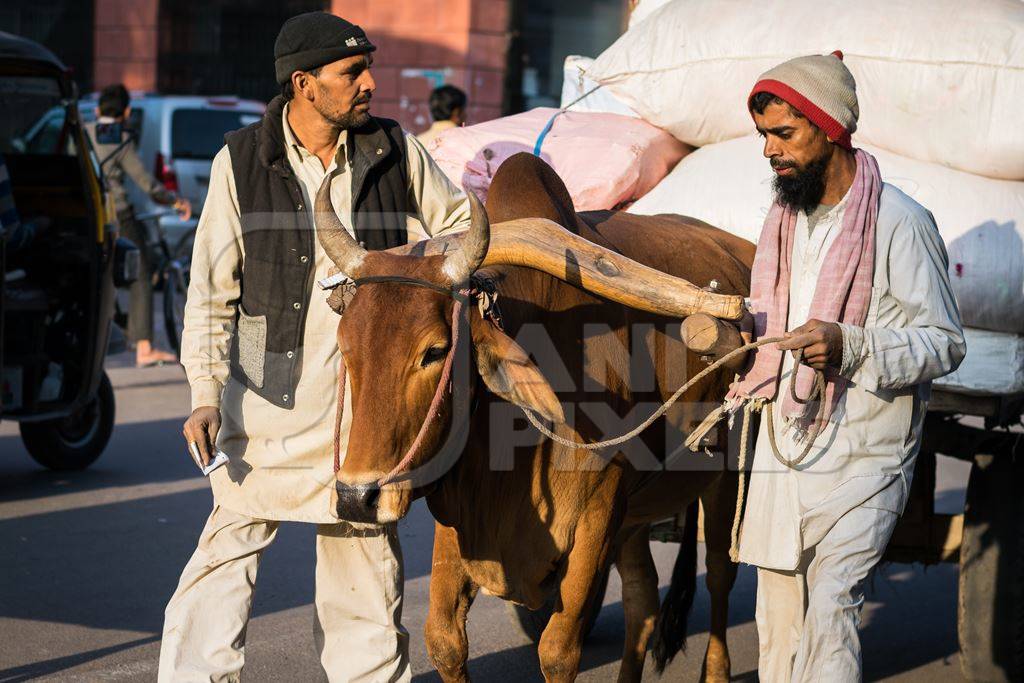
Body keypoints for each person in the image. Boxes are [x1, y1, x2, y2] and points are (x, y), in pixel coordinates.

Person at [159, 11, 472, 682]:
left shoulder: (395, 148)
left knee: (364, 576)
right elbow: (211, 291)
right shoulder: (240, 160)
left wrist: (415, 273)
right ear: (304, 84)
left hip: (365, 407)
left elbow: (462, 227)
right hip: (267, 399)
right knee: (223, 564)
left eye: (368, 68)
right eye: (352, 72)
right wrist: (204, 396)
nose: (369, 83)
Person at [727, 51, 965, 682]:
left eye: (785, 134)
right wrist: (739, 336)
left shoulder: (901, 224)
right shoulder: (782, 224)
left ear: (830, 128)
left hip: (867, 455)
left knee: (831, 604)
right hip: (784, 446)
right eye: (764, 137)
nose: (770, 152)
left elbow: (945, 342)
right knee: (777, 616)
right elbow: (770, 318)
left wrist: (851, 345)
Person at [85, 84, 192, 367]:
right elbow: (146, 183)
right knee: (140, 273)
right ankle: (144, 347)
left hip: (86, 215)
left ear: (97, 111)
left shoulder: (84, 132)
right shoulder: (120, 139)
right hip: (118, 215)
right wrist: (175, 201)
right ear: (127, 112)